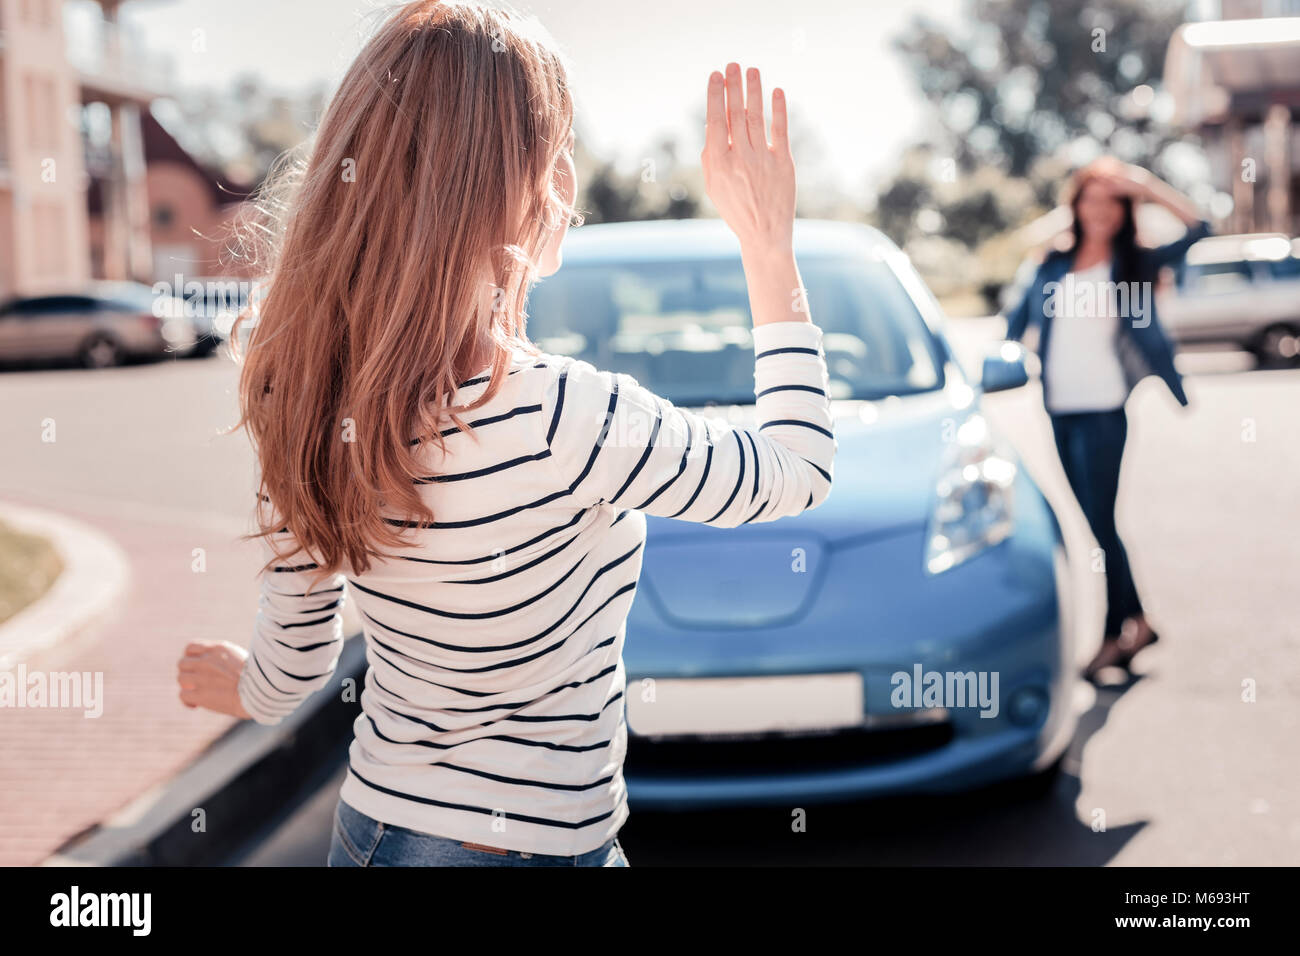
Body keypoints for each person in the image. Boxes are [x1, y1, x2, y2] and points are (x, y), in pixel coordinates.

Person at [174, 1, 835, 867]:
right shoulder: (571, 417)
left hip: (375, 836)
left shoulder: (305, 394)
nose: (568, 175)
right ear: (520, 185)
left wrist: (245, 689)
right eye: (554, 149)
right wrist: (768, 248)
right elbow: (798, 469)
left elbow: (295, 663)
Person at [1003, 157, 1211, 682]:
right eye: (1090, 200)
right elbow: (1017, 322)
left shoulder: (1134, 262)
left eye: (1112, 202)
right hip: (1058, 409)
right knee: (1095, 525)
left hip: (1104, 411)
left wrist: (1141, 183)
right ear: (1075, 205)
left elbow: (1201, 227)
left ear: (1125, 210)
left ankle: (1112, 636)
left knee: (1102, 526)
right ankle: (1138, 620)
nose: (1101, 211)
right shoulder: (1053, 262)